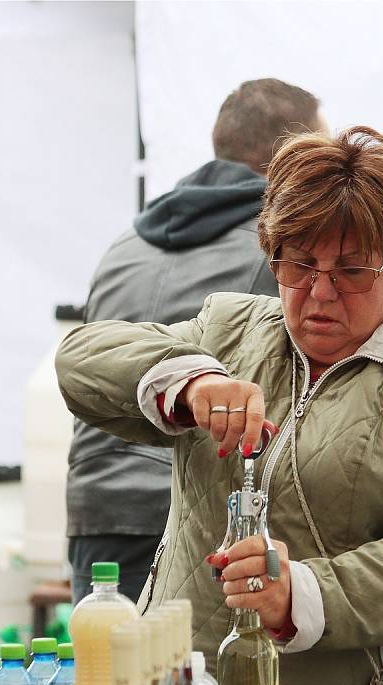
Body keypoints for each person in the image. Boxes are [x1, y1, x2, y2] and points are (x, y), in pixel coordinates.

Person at [56, 125, 383, 685]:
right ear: (273, 256)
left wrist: (300, 591)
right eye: (299, 264)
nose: (320, 294)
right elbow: (80, 360)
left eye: (350, 270)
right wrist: (189, 383)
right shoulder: (230, 331)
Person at [66, 78, 325, 604]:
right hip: (192, 516)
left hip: (96, 508)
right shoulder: (279, 255)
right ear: (291, 156)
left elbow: (89, 352)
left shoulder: (124, 244)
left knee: (110, 681)